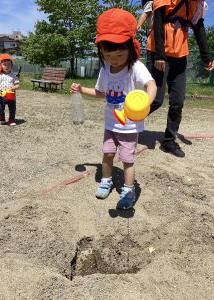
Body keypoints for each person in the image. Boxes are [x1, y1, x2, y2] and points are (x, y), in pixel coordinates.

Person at [70, 8, 157, 210]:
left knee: (127, 160)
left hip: (128, 127)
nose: (114, 58)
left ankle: (128, 190)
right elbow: (101, 93)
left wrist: (146, 102)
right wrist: (82, 89)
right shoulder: (105, 70)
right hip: (111, 124)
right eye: (108, 54)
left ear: (131, 48)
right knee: (107, 154)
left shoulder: (135, 67)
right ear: (101, 51)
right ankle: (106, 180)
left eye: (119, 53)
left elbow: (151, 85)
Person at [146, 0, 214, 157]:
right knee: (155, 99)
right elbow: (157, 22)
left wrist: (206, 56)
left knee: (178, 101)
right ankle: (128, 121)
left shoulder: (196, 3)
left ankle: (169, 141)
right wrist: (159, 55)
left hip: (180, 55)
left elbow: (197, 26)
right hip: (159, 52)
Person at [0, 53, 20, 126]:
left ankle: (11, 119)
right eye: (4, 64)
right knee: (0, 108)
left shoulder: (13, 75)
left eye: (9, 64)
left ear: (11, 65)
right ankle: (2, 118)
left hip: (11, 95)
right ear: (1, 65)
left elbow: (17, 85)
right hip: (2, 94)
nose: (7, 66)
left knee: (12, 108)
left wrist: (15, 87)